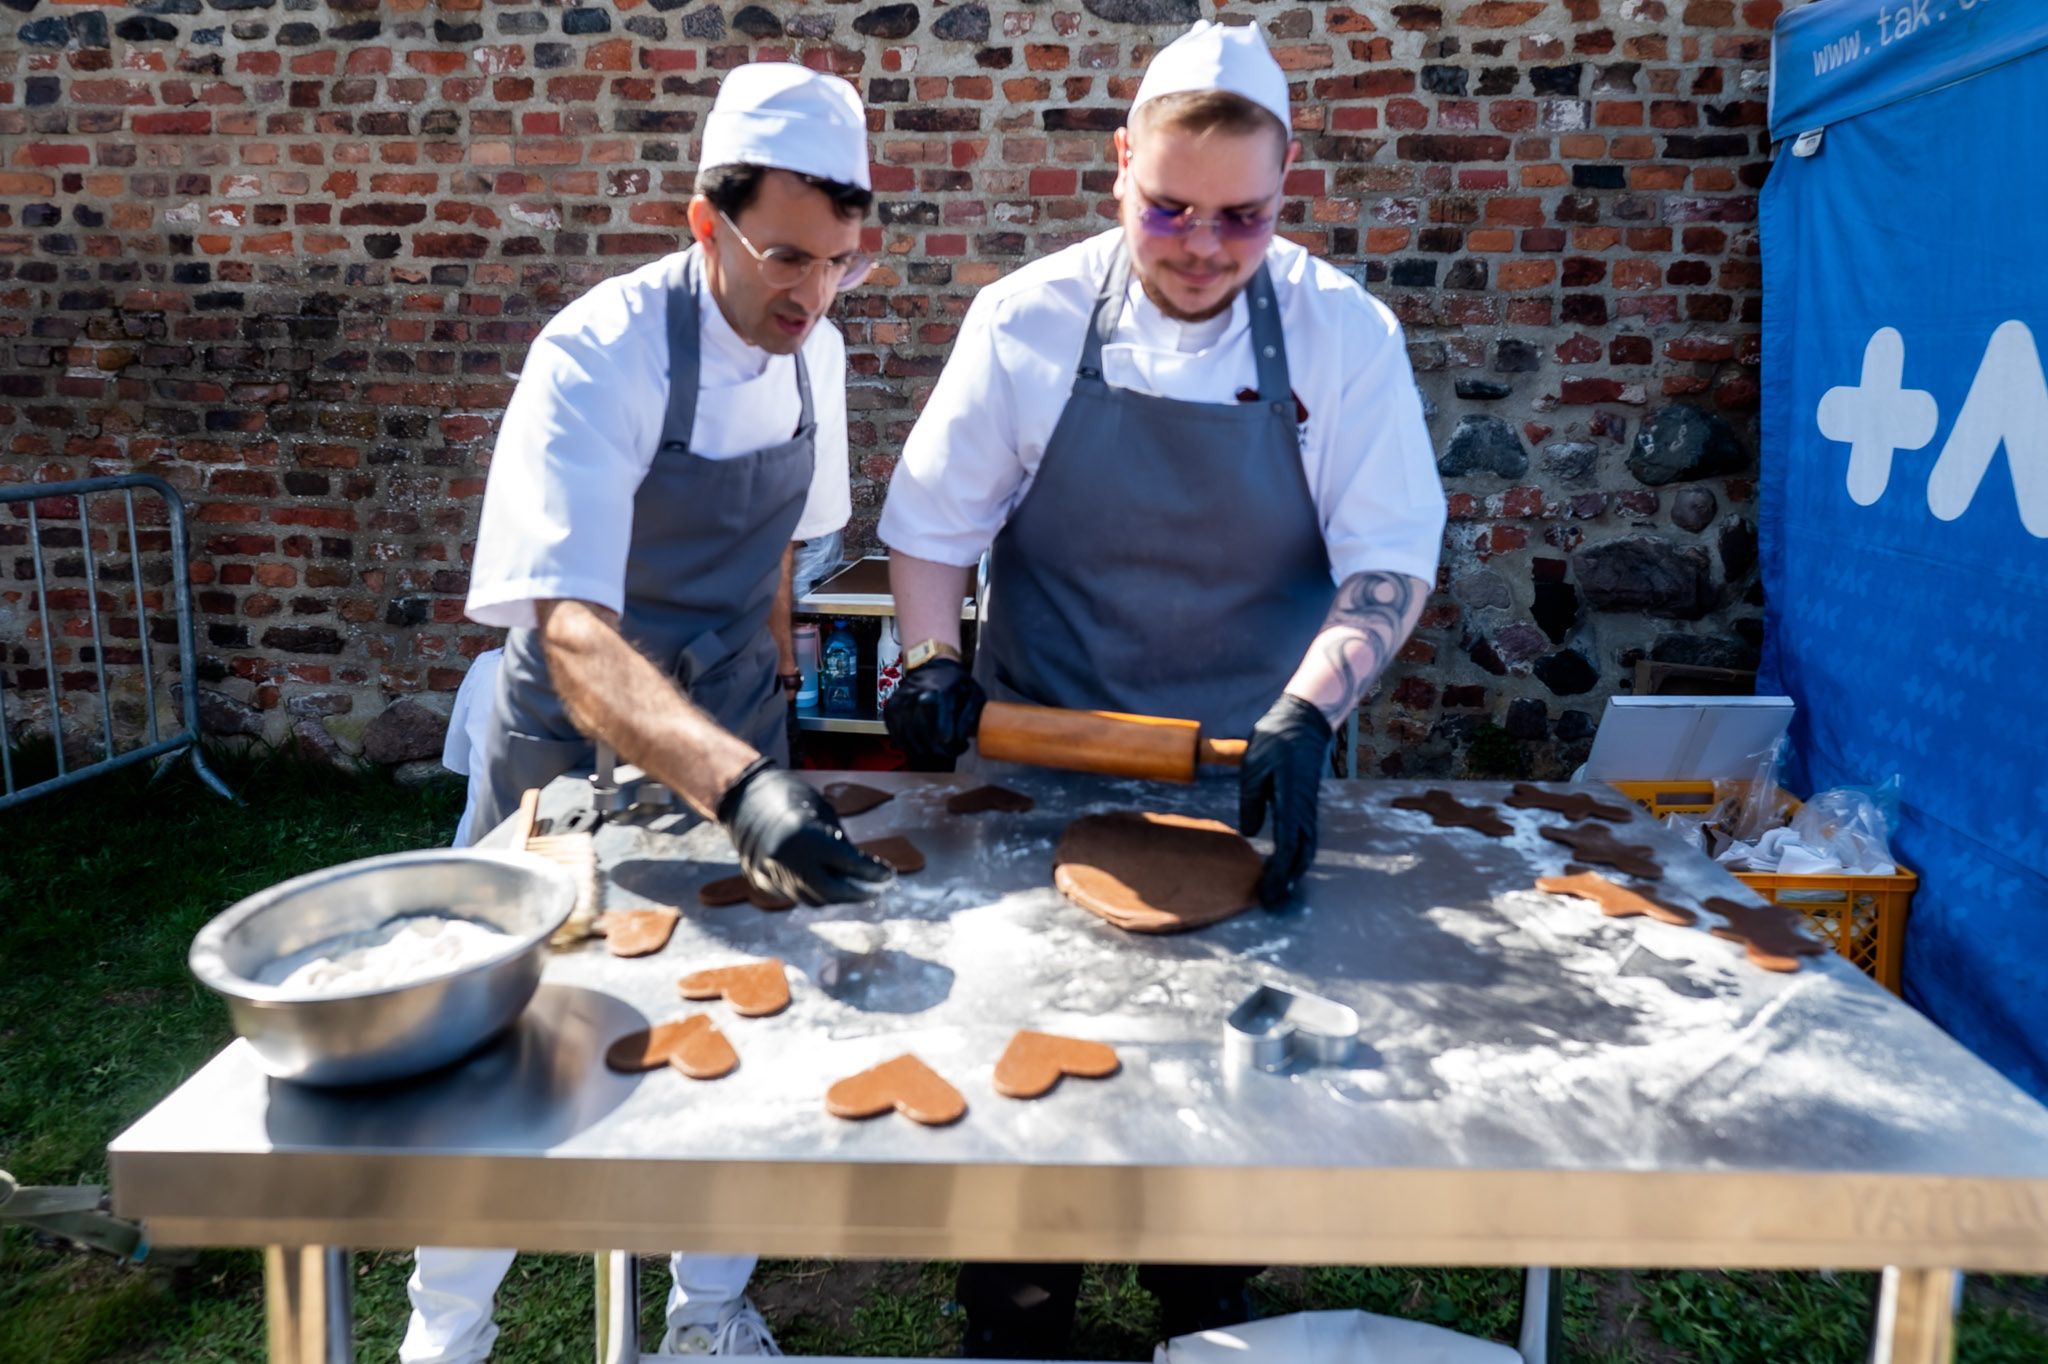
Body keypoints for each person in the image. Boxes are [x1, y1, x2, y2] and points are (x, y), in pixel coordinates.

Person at [875, 21, 1447, 1356]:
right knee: (1032, 1098)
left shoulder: (1342, 336)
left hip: (1244, 771)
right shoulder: (1027, 321)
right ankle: (1019, 1318)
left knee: (1229, 1090)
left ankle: (1206, 1303)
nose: (1201, 247)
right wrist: (934, 660)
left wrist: (1312, 708)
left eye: (1243, 218)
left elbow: (1387, 558)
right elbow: (935, 528)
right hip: (1041, 770)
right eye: (1169, 209)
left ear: (1287, 186)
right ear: (1119, 164)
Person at [406, 63, 893, 1362]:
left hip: (732, 718)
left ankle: (708, 1314)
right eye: (785, 256)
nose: (812, 293)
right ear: (704, 223)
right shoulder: (597, 355)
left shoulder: (817, 352)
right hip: (568, 738)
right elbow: (571, 629)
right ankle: (450, 1328)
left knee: (734, 1008)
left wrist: (770, 697)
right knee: (509, 1032)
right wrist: (737, 783)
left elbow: (785, 542)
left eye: (838, 261)